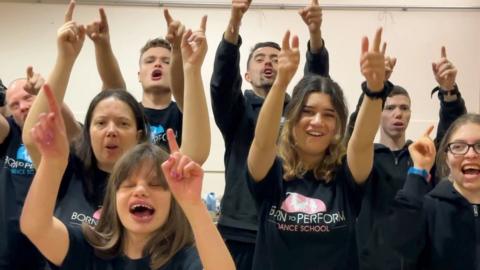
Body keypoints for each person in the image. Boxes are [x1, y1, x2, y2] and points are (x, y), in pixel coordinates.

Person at [23, 1, 210, 227]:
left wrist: (191, 69)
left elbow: (196, 153)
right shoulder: (69, 172)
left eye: (123, 123)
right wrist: (65, 59)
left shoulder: (155, 181)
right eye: (101, 123)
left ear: (140, 135)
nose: (111, 131)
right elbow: (32, 139)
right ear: (87, 132)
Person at [19, 83, 234, 269]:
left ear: (171, 199)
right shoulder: (90, 248)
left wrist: (193, 205)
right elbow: (35, 226)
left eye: (155, 184)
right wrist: (52, 163)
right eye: (129, 185)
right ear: (112, 197)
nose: (140, 190)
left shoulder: (183, 259)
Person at [246, 28, 386, 270]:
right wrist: (280, 83)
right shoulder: (271, 172)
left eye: (329, 115)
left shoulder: (346, 174)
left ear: (337, 125)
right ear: (291, 119)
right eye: (308, 112)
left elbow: (361, 142)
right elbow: (263, 141)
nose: (317, 121)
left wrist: (374, 90)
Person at [210, 0, 329, 268]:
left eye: (276, 59)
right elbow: (222, 83)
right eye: (260, 59)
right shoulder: (236, 112)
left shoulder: (299, 113)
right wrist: (234, 24)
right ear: (247, 74)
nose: (268, 63)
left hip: (288, 226)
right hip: (239, 230)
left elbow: (317, 83)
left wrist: (315, 34)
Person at [350, 47, 467, 270]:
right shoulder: (364, 157)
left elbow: (452, 134)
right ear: (379, 112)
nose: (398, 114)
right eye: (390, 107)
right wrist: (375, 88)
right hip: (369, 261)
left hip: (418, 260)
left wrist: (449, 91)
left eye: (404, 108)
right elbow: (356, 132)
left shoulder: (422, 154)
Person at [0, 66, 81, 269]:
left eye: (28, 98)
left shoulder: (62, 133)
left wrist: (46, 90)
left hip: (51, 246)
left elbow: (73, 130)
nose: (23, 107)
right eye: (14, 105)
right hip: (10, 255)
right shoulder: (9, 135)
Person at [385, 113, 480, 269]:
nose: (471, 154)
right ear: (447, 158)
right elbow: (399, 242)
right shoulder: (429, 208)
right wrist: (419, 170)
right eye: (458, 147)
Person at [87, 7, 186, 149]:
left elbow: (185, 92)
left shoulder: (183, 111)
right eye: (150, 61)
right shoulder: (130, 112)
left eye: (166, 62)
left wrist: (177, 48)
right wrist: (102, 45)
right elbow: (113, 87)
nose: (157, 64)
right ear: (139, 75)